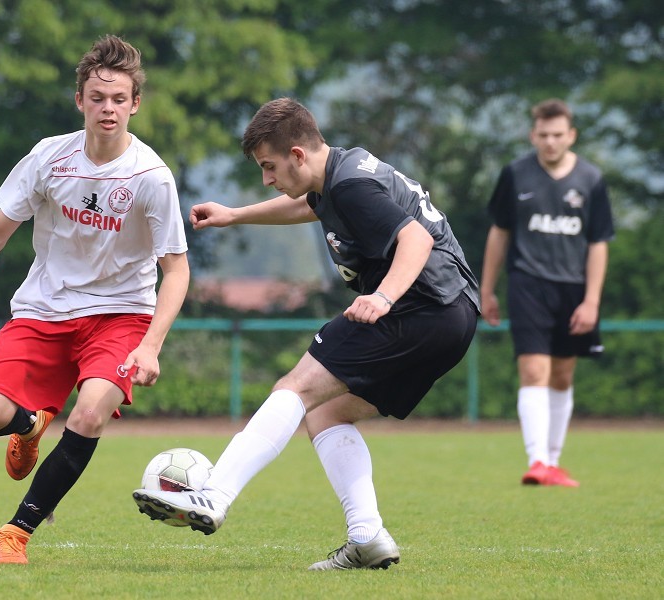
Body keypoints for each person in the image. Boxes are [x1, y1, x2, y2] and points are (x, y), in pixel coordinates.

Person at [131, 97, 480, 570]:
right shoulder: (340, 173)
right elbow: (308, 206)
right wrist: (236, 214)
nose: (267, 178)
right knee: (328, 415)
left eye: (269, 166)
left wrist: (383, 298)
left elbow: (415, 239)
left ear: (298, 154)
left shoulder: (353, 185)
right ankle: (367, 537)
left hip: (419, 305)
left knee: (294, 387)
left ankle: (214, 495)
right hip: (452, 315)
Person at [0, 35, 190, 564]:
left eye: (118, 99)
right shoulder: (48, 157)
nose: (107, 108)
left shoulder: (152, 178)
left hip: (121, 316)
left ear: (135, 104)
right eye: (97, 97)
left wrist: (152, 345)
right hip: (44, 310)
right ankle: (29, 424)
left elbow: (175, 270)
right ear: (80, 101)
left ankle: (16, 531)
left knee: (89, 413)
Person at [481, 98, 614, 488]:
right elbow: (500, 232)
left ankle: (553, 461)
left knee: (562, 373)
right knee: (533, 369)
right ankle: (537, 461)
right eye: (544, 135)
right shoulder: (515, 174)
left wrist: (592, 300)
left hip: (574, 288)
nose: (551, 142)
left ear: (571, 135)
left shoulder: (591, 179)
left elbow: (599, 243)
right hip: (528, 283)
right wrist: (487, 289)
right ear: (532, 134)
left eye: (558, 135)